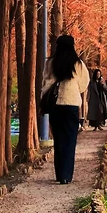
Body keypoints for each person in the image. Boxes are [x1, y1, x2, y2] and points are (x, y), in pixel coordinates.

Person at [40, 33, 90, 184]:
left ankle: (60, 174)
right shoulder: (78, 64)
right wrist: (75, 90)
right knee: (70, 140)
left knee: (59, 140)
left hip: (56, 105)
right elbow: (84, 82)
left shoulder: (50, 62)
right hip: (72, 104)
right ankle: (67, 175)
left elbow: (45, 81)